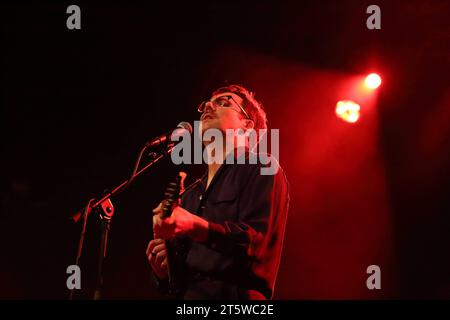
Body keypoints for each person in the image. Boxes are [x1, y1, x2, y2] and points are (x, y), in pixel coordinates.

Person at [146, 84, 289, 299]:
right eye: (207, 104)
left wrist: (194, 225)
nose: (209, 107)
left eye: (223, 103)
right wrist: (163, 269)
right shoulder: (191, 193)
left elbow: (254, 243)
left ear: (247, 126)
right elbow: (174, 282)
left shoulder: (262, 166)